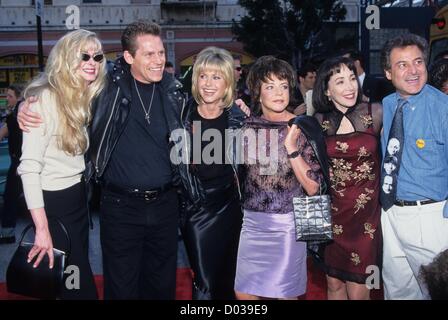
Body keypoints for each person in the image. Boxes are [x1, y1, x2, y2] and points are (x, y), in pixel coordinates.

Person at [18, 21, 185, 300]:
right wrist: (24, 105)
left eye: (97, 57)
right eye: (149, 54)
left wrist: (238, 109)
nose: (158, 60)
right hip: (106, 206)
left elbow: (212, 100)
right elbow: (29, 165)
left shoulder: (172, 90)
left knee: (159, 286)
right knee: (92, 286)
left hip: (127, 205)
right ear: (129, 57)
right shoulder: (107, 87)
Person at [16, 29, 106, 299]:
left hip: (77, 199)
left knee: (71, 276)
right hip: (53, 204)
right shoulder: (44, 100)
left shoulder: (86, 95)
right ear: (67, 59)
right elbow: (29, 168)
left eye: (97, 56)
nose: (92, 62)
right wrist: (42, 230)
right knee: (77, 283)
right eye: (84, 56)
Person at [234, 56, 324, 300]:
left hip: (287, 225)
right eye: (270, 86)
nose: (279, 93)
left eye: (283, 86)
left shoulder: (302, 127)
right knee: (244, 294)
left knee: (284, 295)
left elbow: (314, 187)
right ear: (257, 92)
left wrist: (292, 148)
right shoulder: (245, 126)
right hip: (251, 224)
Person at [380, 33, 448, 300]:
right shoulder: (388, 104)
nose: (413, 71)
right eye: (402, 65)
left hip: (430, 217)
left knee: (436, 291)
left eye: (418, 62)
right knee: (398, 291)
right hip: (391, 212)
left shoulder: (442, 108)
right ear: (388, 73)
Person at [178, 46, 245, 300]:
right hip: (196, 209)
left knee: (228, 278)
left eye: (216, 77)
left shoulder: (237, 118)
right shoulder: (182, 115)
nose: (208, 84)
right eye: (203, 76)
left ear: (227, 81)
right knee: (204, 281)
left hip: (230, 208)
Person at [314, 56, 383, 300]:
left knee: (358, 290)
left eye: (352, 79)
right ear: (327, 89)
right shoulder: (317, 122)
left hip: (367, 219)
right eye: (340, 81)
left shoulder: (375, 112)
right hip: (333, 215)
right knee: (333, 286)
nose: (350, 86)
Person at [0, 84, 25, 244]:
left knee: (10, 198)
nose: (6, 98)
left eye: (10, 96)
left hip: (20, 162)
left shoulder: (17, 114)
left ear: (18, 97)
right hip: (21, 161)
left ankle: (8, 233)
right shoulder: (15, 114)